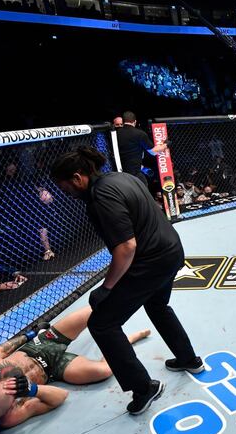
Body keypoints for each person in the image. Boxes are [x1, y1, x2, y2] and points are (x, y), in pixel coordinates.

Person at [50, 147, 203, 415]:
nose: (68, 194)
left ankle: (143, 388)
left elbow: (126, 247)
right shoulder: (122, 177)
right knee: (157, 306)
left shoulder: (100, 196)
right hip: (171, 251)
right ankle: (189, 359)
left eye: (66, 188)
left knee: (102, 323)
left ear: (77, 177)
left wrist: (107, 288)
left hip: (150, 261)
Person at [0, 306, 151, 428]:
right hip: (53, 370)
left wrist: (30, 334)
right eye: (13, 393)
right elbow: (60, 397)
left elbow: (2, 349)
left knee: (96, 308)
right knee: (103, 371)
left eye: (6, 386)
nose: (11, 385)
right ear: (8, 407)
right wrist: (32, 389)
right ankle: (130, 339)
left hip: (37, 346)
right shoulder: (10, 416)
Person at [115, 111, 166, 186]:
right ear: (135, 121)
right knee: (143, 191)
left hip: (118, 172)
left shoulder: (115, 133)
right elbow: (153, 152)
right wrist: (165, 145)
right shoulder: (139, 133)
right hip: (134, 173)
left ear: (123, 121)